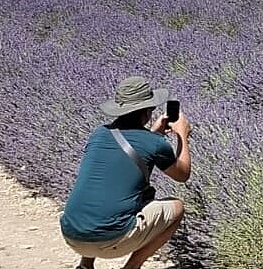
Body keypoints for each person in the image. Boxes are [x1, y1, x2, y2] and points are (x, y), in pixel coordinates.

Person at [61, 76, 192, 269]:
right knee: (177, 207)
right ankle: (132, 267)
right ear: (147, 111)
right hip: (113, 239)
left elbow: (129, 154)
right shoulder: (155, 143)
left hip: (71, 234)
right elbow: (182, 174)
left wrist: (153, 134)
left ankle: (85, 265)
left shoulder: (99, 133)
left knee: (100, 189)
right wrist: (182, 135)